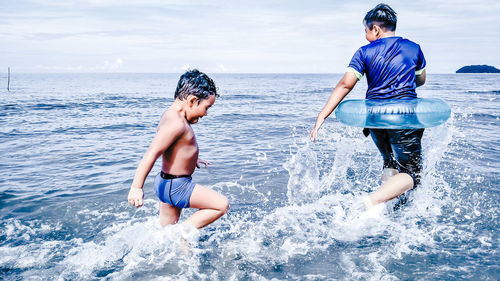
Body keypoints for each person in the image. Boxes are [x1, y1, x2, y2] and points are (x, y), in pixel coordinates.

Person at [310, 3, 426, 210]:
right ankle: (372, 201)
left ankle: (382, 209)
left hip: (375, 119)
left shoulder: (364, 52)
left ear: (375, 29)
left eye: (366, 30)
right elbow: (421, 80)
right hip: (404, 117)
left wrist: (322, 116)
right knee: (412, 175)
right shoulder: (414, 48)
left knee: (389, 161)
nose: (365, 35)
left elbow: (346, 84)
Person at [128, 69, 229, 228]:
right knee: (221, 205)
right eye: (206, 108)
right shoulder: (177, 123)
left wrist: (191, 158)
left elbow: (175, 147)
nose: (206, 114)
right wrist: (136, 187)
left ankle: (177, 243)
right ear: (192, 100)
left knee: (168, 236)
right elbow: (152, 153)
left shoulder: (171, 115)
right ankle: (183, 232)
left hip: (166, 183)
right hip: (177, 186)